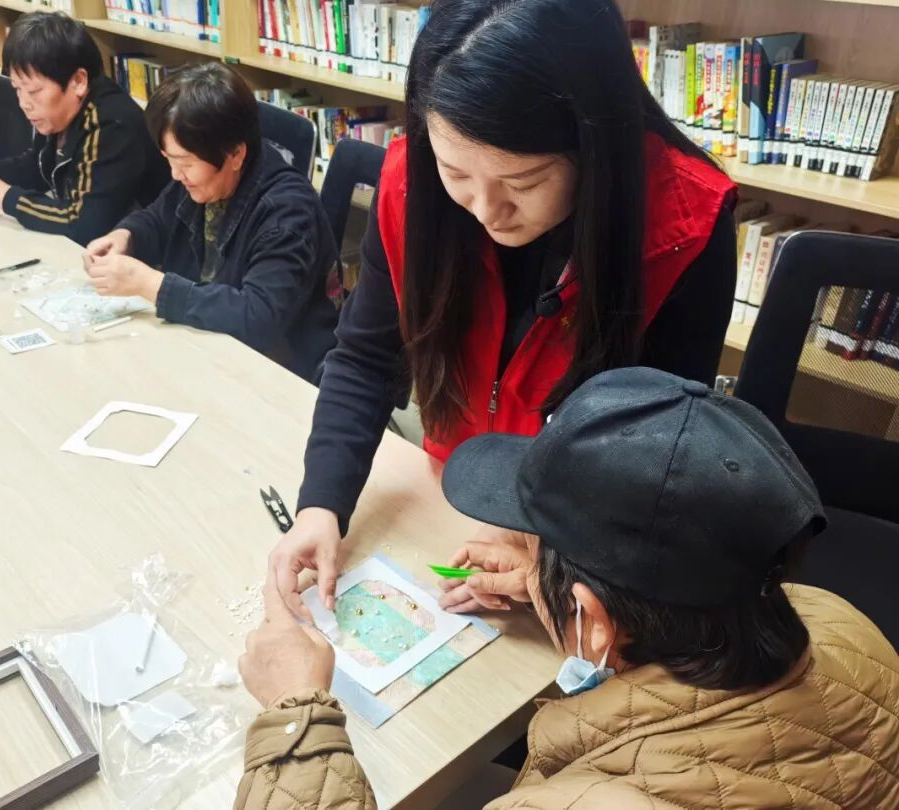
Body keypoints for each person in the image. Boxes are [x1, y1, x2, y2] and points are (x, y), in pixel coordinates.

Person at [236, 367, 899, 809]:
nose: (523, 553)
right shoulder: (838, 621)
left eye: (533, 544)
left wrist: (297, 715)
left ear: (597, 620)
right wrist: (554, 588)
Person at [268, 0, 739, 616]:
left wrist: (550, 557)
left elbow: (662, 460)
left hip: (578, 537)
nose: (487, 210)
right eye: (456, 172)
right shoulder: (413, 182)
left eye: (524, 182)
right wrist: (321, 505)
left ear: (592, 144)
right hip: (448, 494)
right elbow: (365, 357)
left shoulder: (683, 229)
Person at [82, 63, 341, 382]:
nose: (176, 174)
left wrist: (149, 284)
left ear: (235, 155)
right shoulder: (202, 176)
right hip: (207, 349)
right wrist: (126, 236)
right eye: (168, 160)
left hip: (278, 372)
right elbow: (158, 219)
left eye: (184, 163)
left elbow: (258, 319)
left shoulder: (287, 213)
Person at [0, 12, 167, 247]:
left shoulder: (110, 124)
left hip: (142, 261)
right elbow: (35, 168)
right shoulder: (61, 112)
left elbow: (84, 225)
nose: (24, 103)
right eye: (17, 89)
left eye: (34, 91)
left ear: (78, 81)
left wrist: (2, 196)